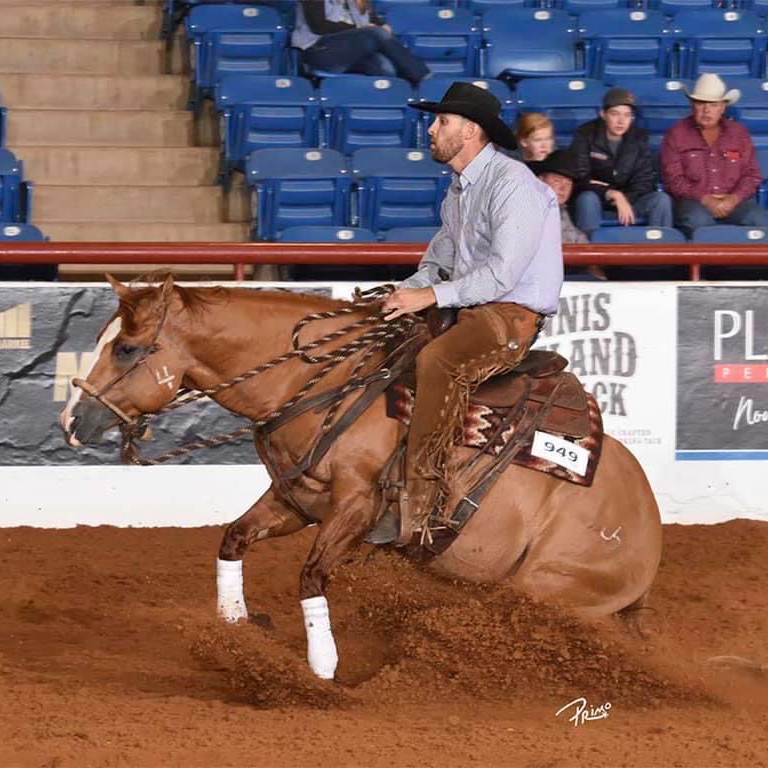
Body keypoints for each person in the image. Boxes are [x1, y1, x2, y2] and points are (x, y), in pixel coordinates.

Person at [377, 82, 564, 545]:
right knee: (382, 339)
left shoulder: (514, 186)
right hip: (474, 307)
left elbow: (501, 275)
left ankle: (420, 503)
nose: (431, 129)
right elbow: (436, 263)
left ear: (471, 131)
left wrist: (431, 298)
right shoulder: (460, 191)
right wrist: (402, 294)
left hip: (509, 318)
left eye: (442, 121)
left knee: (438, 362)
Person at [661, 73, 767, 238]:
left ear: (723, 107)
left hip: (734, 202)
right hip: (693, 202)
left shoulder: (739, 134)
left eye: (713, 104)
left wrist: (733, 199)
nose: (707, 110)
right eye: (701, 103)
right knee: (697, 220)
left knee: (759, 219)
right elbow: (674, 179)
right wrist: (705, 199)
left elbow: (752, 174)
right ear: (692, 105)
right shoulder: (676, 134)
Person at [570, 87, 672, 237]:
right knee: (587, 198)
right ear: (603, 114)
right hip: (598, 201)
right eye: (615, 114)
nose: (621, 121)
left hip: (630, 201)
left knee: (661, 200)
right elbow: (580, 178)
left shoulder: (639, 138)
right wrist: (612, 194)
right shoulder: (585, 134)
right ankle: (589, 257)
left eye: (627, 115)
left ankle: (660, 254)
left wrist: (624, 199)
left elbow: (644, 181)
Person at [291, 0, 430, 85]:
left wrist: (382, 25)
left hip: (351, 54)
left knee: (385, 67)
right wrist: (363, 28)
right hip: (320, 51)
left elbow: (370, 19)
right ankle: (423, 77)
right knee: (376, 33)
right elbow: (319, 26)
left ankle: (382, 116)